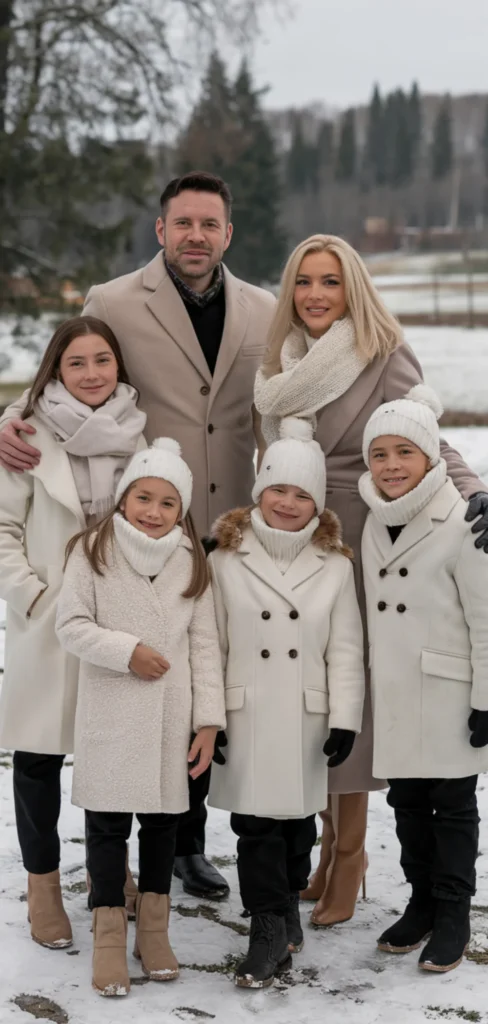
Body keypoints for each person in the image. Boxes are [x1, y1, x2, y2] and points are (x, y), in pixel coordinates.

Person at [0, 171, 275, 900]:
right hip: (141, 531)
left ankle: (185, 847)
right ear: (161, 230)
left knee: (187, 699)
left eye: (208, 224)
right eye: (181, 223)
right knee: (120, 704)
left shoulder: (262, 309)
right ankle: (108, 858)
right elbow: (69, 375)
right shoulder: (115, 302)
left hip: (228, 531)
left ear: (227, 233)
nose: (194, 235)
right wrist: (7, 420)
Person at [254, 234, 488, 927]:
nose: (317, 294)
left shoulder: (382, 350)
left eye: (330, 281)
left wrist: (476, 491)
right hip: (300, 540)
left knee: (351, 699)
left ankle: (349, 856)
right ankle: (327, 853)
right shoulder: (279, 365)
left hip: (364, 539)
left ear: (352, 288)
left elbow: (426, 438)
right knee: (316, 698)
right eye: (304, 282)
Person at [56, 438, 226, 997]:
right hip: (112, 704)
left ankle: (153, 931)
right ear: (124, 497)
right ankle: (108, 936)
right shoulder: (91, 551)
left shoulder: (190, 560)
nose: (153, 512)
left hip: (171, 717)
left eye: (167, 503)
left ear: (183, 511)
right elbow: (72, 626)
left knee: (161, 826)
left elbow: (204, 645)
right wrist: (126, 650)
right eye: (143, 497)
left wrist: (208, 721)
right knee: (107, 826)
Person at [0, 315, 146, 950]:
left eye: (103, 361)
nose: (91, 374)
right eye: (77, 363)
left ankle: (109, 875)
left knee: (110, 758)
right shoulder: (25, 432)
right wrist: (32, 595)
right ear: (56, 369)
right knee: (38, 759)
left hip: (117, 618)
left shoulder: (142, 434)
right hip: (47, 622)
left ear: (119, 366)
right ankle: (43, 885)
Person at [207, 418, 365, 988]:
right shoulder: (224, 559)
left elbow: (346, 649)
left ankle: (286, 906)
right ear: (259, 490)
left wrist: (345, 718)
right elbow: (210, 645)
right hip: (246, 711)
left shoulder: (336, 565)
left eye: (303, 494)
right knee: (255, 827)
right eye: (278, 488)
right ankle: (266, 928)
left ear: (318, 503)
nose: (288, 503)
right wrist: (210, 716)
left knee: (298, 826)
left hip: (305, 714)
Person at [359, 385, 488, 973]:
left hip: (447, 691)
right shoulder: (370, 517)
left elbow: (486, 622)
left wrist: (486, 699)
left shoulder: (465, 521)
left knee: (453, 804)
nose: (390, 466)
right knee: (408, 803)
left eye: (404, 452)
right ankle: (420, 900)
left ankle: (454, 910)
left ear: (433, 456)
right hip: (393, 688)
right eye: (379, 454)